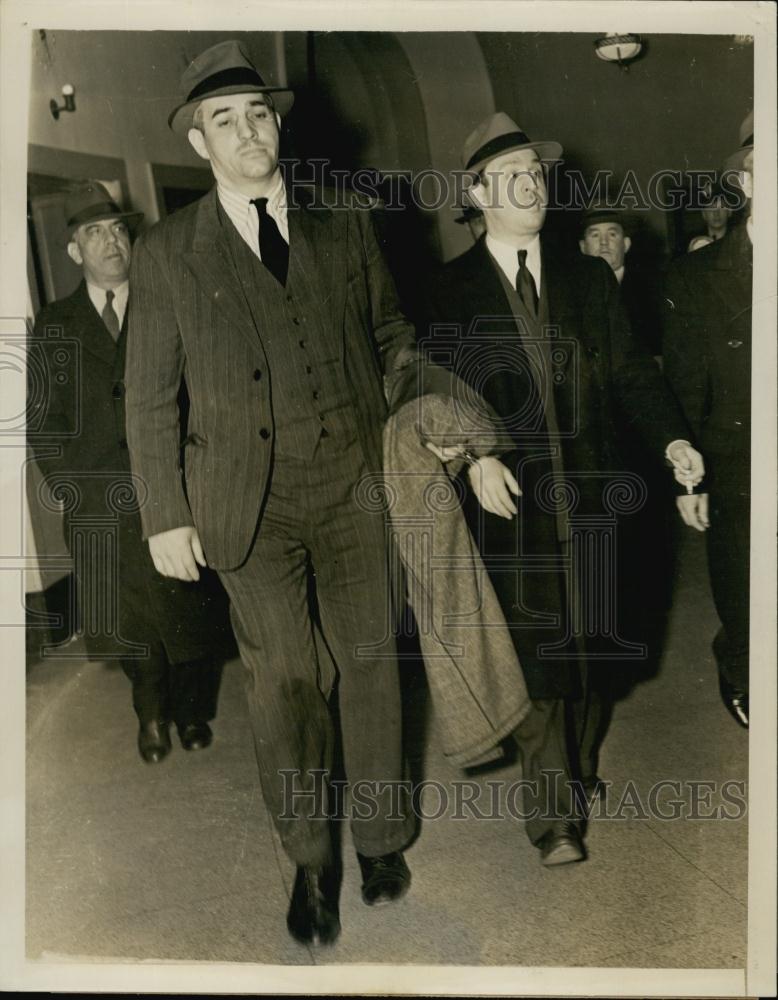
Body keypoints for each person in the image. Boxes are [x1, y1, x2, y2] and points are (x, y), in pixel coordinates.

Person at [123, 40, 416, 946]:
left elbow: (394, 335)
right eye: (224, 120)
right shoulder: (169, 251)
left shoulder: (345, 220)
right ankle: (312, 863)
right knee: (285, 682)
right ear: (200, 144)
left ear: (276, 124)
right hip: (242, 502)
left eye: (258, 112)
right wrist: (165, 512)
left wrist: (419, 430)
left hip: (355, 484)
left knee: (370, 662)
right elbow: (147, 390)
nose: (247, 130)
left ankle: (378, 839)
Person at [420, 112, 704, 865]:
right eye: (513, 174)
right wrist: (474, 457)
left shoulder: (585, 277)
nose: (533, 185)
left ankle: (574, 770)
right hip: (508, 505)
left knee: (590, 654)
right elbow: (436, 393)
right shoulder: (447, 293)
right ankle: (553, 818)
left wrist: (673, 438)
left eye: (538, 173)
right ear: (476, 193)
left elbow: (629, 374)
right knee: (537, 657)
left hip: (593, 497)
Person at [28, 181, 225, 764]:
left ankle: (191, 710)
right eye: (94, 232)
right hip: (99, 498)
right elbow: (44, 419)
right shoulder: (56, 323)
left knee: (186, 611)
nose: (111, 241)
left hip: (172, 489)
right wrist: (70, 485)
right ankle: (150, 715)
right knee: (131, 621)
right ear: (73, 251)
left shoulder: (168, 301)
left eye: (118, 229)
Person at [663, 111, 754, 728]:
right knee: (745, 594)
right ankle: (741, 664)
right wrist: (688, 481)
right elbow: (685, 388)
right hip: (738, 461)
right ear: (745, 185)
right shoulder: (697, 277)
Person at [578, 206, 663, 356]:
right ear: (583, 247)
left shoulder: (652, 291)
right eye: (595, 235)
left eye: (612, 234)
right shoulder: (570, 294)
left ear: (626, 244)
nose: (604, 242)